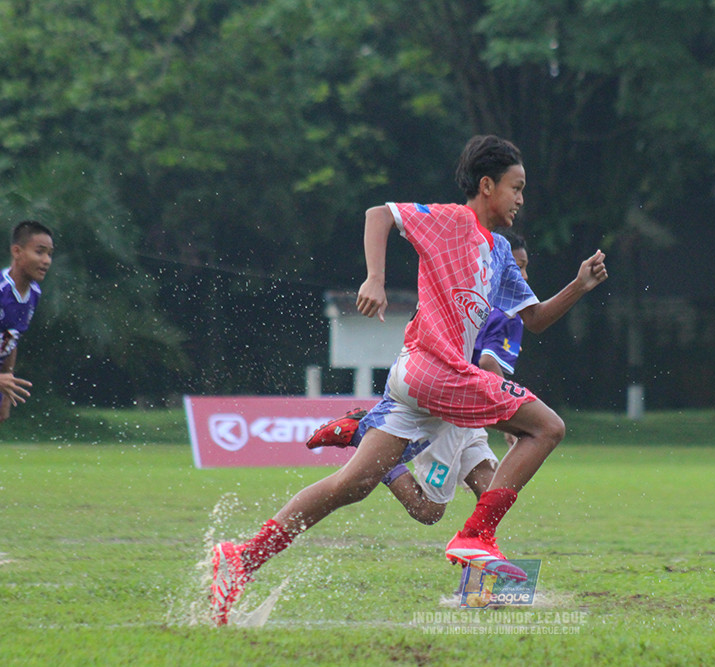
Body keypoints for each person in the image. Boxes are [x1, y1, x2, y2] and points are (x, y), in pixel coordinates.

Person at [209, 135, 607, 626]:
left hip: (417, 380)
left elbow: (537, 319)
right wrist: (374, 278)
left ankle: (244, 556)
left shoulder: (501, 252)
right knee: (548, 429)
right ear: (487, 186)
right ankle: (476, 537)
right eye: (516, 187)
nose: (522, 199)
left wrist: (580, 285)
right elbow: (379, 214)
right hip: (438, 371)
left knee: (352, 484)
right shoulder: (450, 221)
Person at [310, 231, 532, 526]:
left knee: (492, 492)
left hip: (464, 408)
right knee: (428, 511)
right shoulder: (503, 313)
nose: (525, 277)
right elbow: (489, 361)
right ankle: (367, 438)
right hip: (449, 406)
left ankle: (478, 554)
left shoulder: (463, 291)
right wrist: (511, 411)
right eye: (518, 267)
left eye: (526, 267)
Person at [0, 220, 54, 423]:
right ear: (17, 251)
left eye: (49, 254)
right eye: (40, 252)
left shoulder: (33, 294)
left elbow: (11, 339)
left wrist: (6, 394)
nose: (46, 260)